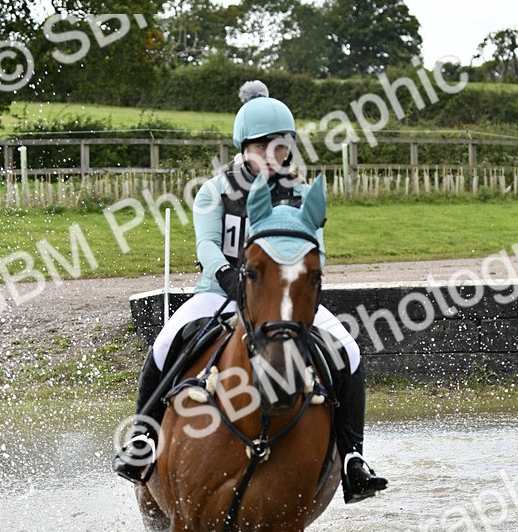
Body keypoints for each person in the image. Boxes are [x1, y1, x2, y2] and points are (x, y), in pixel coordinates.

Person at [113, 80, 387, 504]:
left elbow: (319, 250)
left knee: (348, 350)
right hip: (217, 291)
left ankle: (353, 458)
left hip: (281, 300)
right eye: (262, 147)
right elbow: (206, 243)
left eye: (280, 147)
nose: (272, 155)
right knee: (167, 342)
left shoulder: (299, 194)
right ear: (243, 147)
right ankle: (143, 440)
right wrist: (225, 275)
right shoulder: (215, 190)